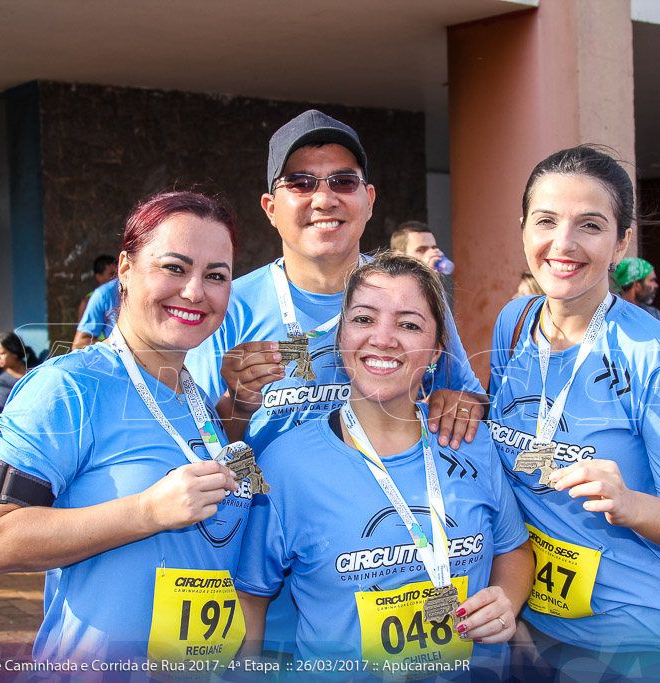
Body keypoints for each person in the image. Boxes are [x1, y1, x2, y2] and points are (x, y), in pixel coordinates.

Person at [185, 108, 487, 654]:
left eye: (342, 181)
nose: (324, 197)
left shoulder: (410, 294)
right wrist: (239, 403)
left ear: (368, 199)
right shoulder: (228, 303)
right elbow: (200, 449)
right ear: (271, 208)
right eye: (301, 182)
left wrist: (458, 399)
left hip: (391, 568)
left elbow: (465, 397)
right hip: (258, 587)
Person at [0, 191, 253, 668]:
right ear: (124, 269)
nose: (196, 292)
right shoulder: (66, 386)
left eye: (215, 275)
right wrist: (145, 510)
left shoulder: (193, 392)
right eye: (174, 268)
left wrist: (237, 407)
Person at [235, 253, 532, 675]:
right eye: (363, 319)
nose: (384, 338)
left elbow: (514, 549)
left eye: (409, 325)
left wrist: (507, 598)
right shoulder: (285, 465)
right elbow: (251, 597)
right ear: (341, 338)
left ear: (436, 352)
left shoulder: (471, 442)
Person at [488, 146, 660, 677]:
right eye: (546, 221)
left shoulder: (654, 357)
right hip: (543, 630)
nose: (563, 244)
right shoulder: (513, 323)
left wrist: (629, 503)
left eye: (589, 225)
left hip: (642, 638)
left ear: (620, 243)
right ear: (523, 228)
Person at [613, 257, 660, 325]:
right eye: (652, 280)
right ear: (637, 285)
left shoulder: (654, 315)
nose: (656, 285)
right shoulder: (612, 312)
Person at [72, 274, 119, 349]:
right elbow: (79, 344)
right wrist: (118, 348)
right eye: (111, 274)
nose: (113, 277)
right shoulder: (102, 294)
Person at [76, 254, 117, 322]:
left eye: (117, 274)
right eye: (111, 274)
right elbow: (84, 331)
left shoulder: (123, 299)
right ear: (98, 277)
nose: (116, 278)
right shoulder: (87, 302)